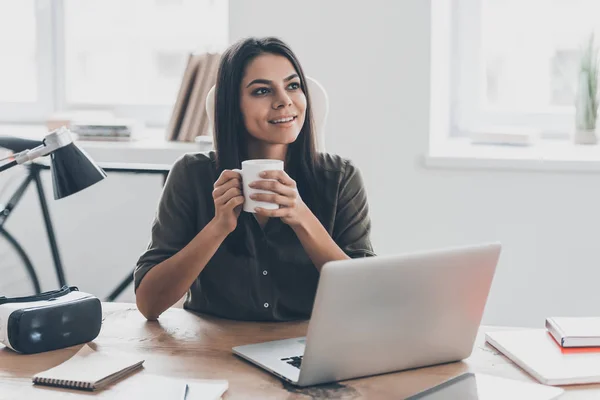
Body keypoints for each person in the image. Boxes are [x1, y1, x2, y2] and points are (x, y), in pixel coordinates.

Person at [134, 37, 374, 322]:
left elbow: (365, 297)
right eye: (262, 91)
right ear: (233, 106)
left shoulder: (340, 177)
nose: (284, 100)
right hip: (212, 350)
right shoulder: (192, 174)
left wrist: (301, 216)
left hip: (306, 348)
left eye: (293, 85)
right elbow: (149, 305)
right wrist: (218, 227)